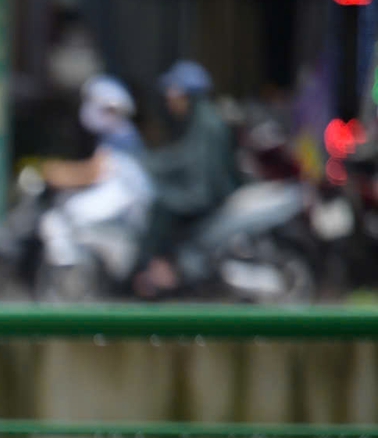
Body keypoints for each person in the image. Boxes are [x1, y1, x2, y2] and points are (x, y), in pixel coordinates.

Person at [135, 61, 240, 296]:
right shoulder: (199, 119)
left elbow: (191, 162)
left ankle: (154, 269)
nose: (169, 100)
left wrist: (151, 164)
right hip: (207, 190)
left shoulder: (205, 122)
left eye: (172, 93)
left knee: (161, 205)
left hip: (206, 195)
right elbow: (183, 154)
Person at [38, 75, 155, 283]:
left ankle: (73, 272)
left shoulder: (122, 134)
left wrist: (58, 173)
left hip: (129, 206)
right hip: (123, 204)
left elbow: (94, 172)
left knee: (67, 213)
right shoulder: (115, 135)